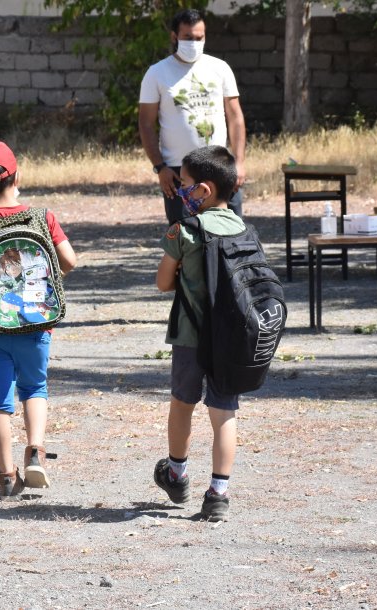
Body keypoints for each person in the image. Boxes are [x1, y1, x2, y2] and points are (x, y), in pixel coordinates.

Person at [0, 141, 77, 501]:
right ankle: (35, 450)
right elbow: (69, 261)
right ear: (17, 175)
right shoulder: (43, 218)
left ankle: (6, 476)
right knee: (35, 388)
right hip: (37, 323)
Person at [153, 145, 245, 522]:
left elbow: (162, 282)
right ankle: (219, 493)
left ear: (203, 190)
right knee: (224, 412)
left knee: (183, 404)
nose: (180, 189)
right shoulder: (244, 228)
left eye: (185, 183)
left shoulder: (183, 231)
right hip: (232, 338)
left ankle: (176, 474)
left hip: (191, 336)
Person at [138, 8, 247, 225]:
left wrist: (240, 162)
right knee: (185, 239)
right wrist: (160, 167)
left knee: (231, 231)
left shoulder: (220, 68)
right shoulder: (157, 73)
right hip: (179, 172)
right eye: (188, 37)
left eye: (200, 37)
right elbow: (146, 123)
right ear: (174, 37)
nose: (194, 43)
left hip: (219, 165)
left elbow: (235, 117)